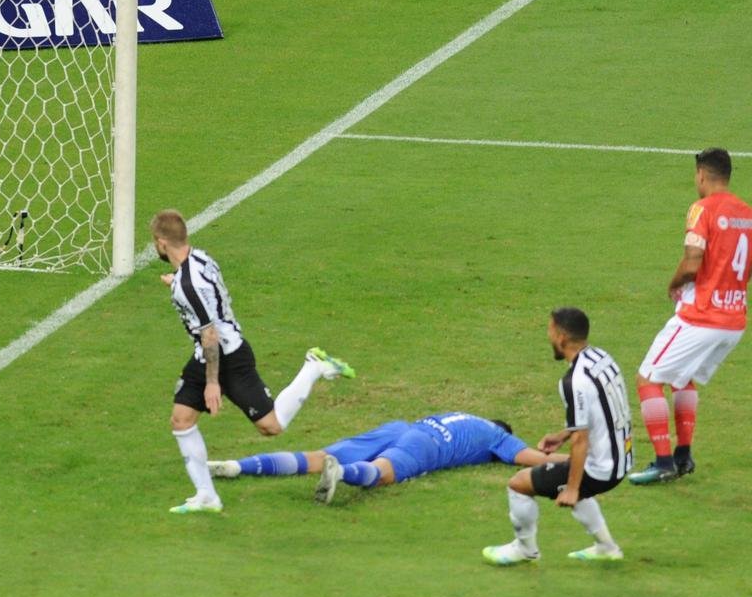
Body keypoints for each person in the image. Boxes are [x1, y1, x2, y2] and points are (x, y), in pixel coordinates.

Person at [150, 209, 355, 514]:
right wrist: (176, 283)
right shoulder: (200, 259)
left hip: (227, 357)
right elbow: (205, 296)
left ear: (161, 242)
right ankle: (207, 496)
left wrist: (212, 383)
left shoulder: (188, 285)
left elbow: (209, 335)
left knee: (271, 426)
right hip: (206, 355)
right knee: (181, 419)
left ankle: (313, 366)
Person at [628, 148, 752, 485]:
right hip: (734, 320)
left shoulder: (702, 209)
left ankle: (663, 462)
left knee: (647, 379)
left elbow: (693, 260)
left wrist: (674, 283)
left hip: (702, 317)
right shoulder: (747, 214)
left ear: (701, 174)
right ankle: (683, 457)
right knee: (683, 378)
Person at [482, 307, 632, 566]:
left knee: (519, 484)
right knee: (569, 477)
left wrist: (572, 489)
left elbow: (581, 440)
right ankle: (606, 547)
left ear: (562, 337)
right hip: (622, 457)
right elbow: (603, 410)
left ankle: (525, 549)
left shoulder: (574, 381)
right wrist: (563, 435)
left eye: (550, 331)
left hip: (601, 467)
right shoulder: (601, 357)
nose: (548, 337)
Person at [206, 412, 566, 505]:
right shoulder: (498, 437)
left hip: (401, 427)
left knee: (315, 456)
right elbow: (534, 459)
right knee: (383, 473)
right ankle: (341, 473)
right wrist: (582, 455)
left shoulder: (464, 415)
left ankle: (238, 466)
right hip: (428, 443)